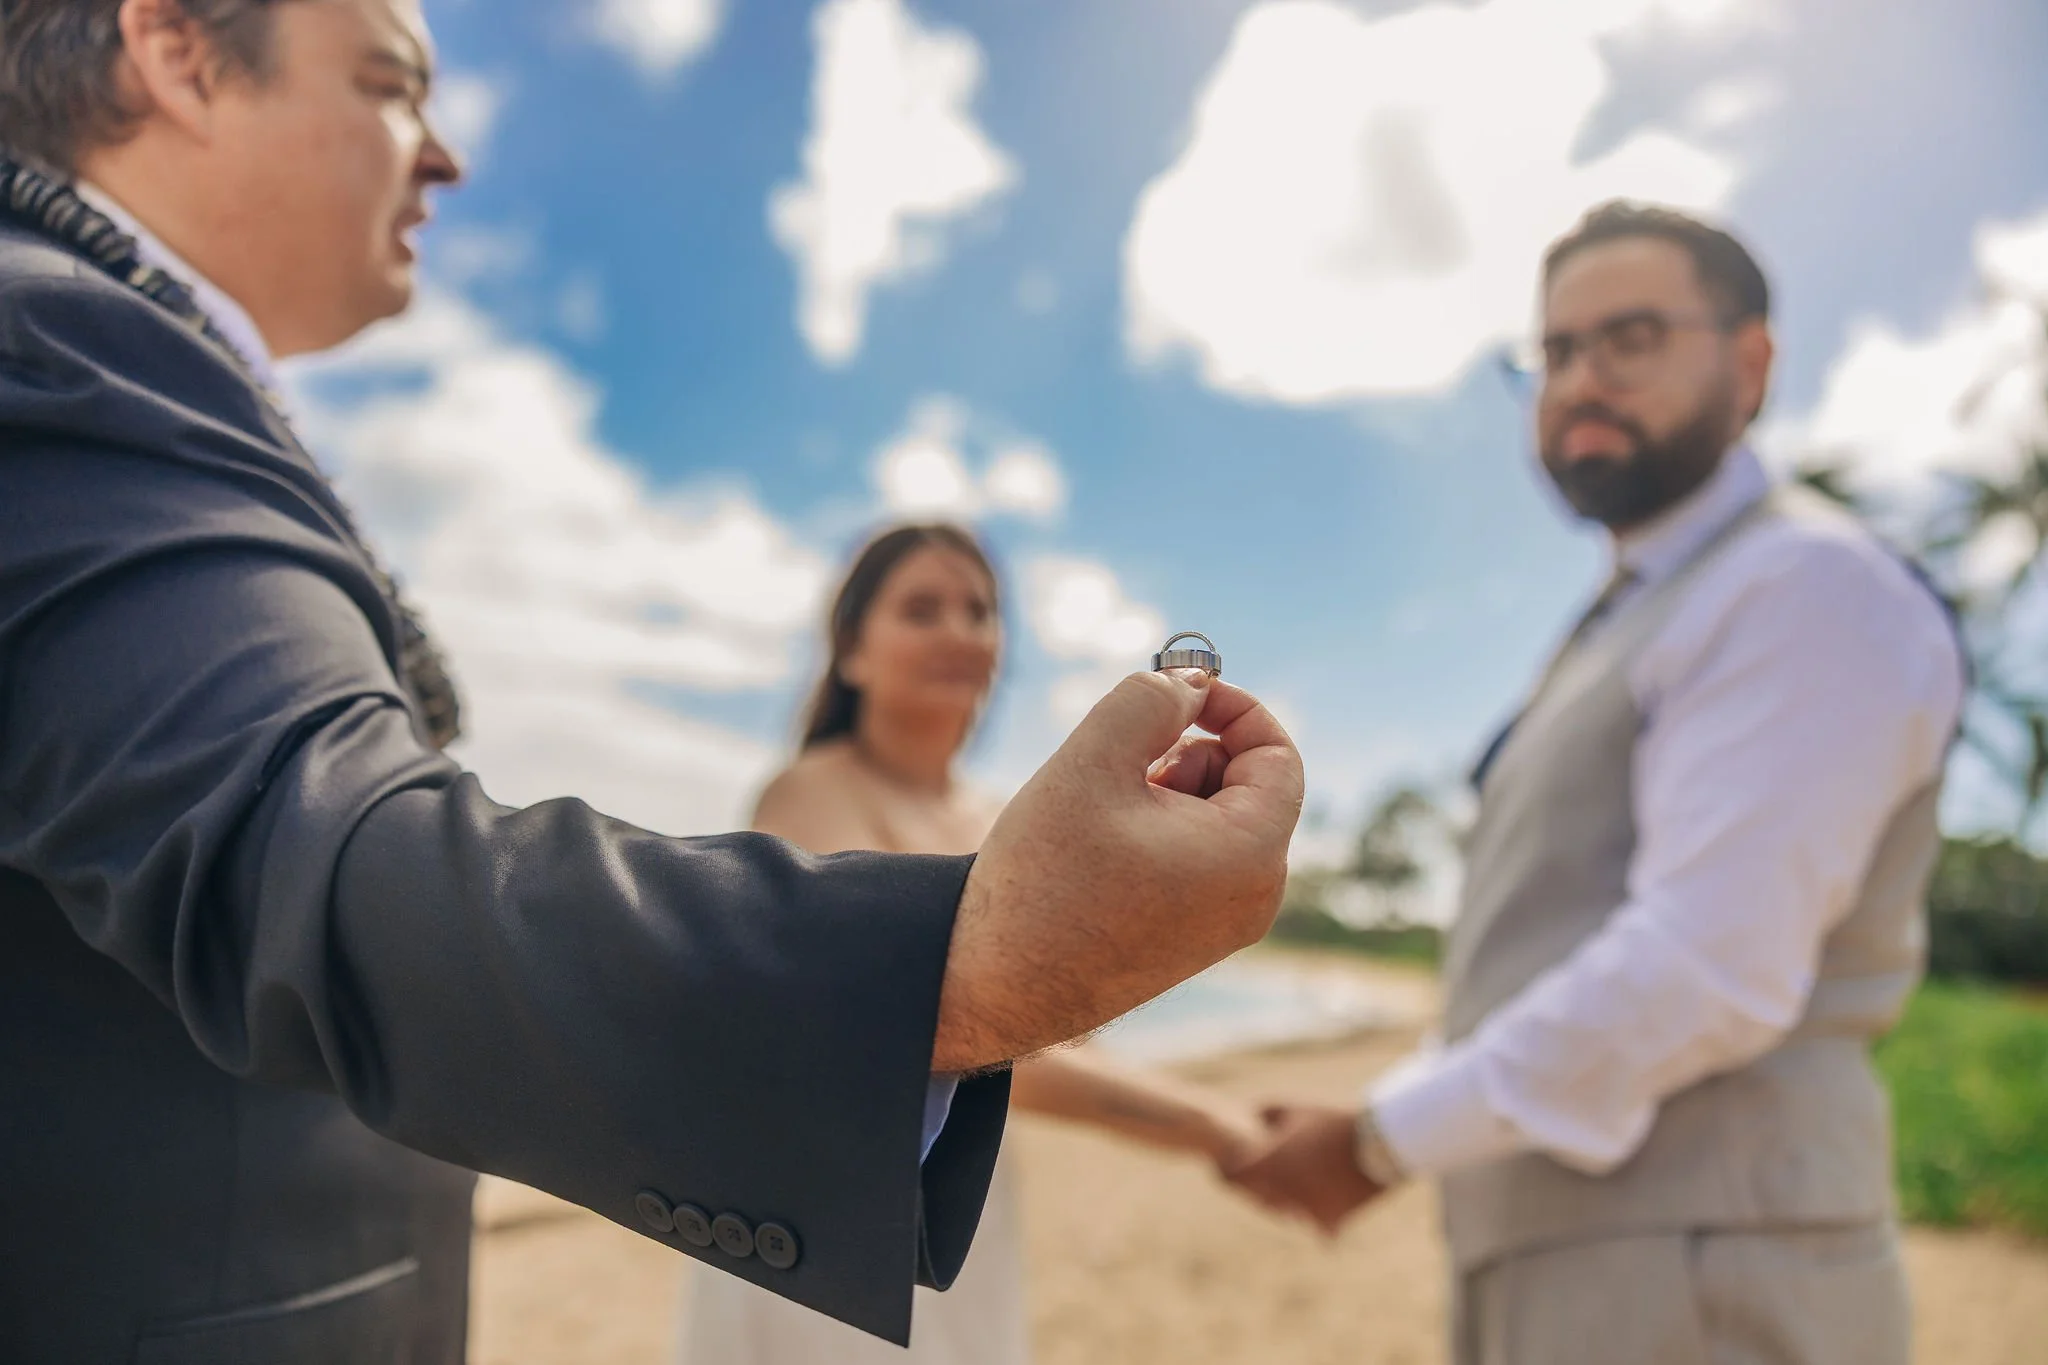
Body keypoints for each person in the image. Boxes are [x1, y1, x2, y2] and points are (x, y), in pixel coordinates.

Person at [0, 2, 1305, 1361]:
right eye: (391, 85)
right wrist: (960, 968)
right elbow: (314, 844)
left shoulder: (135, 374)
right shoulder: (54, 345)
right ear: (180, 53)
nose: (443, 158)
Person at [1233, 202, 1965, 1365]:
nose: (1580, 379)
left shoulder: (1800, 586)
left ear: (1751, 361)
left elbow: (1703, 966)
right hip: (1575, 1263)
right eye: (1555, 352)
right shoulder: (1626, 617)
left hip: (1699, 1272)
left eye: (1627, 339)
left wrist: (1373, 1143)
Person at [678, 524, 1274, 1365]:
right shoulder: (809, 794)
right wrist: (1215, 1125)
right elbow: (935, 1030)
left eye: (979, 610)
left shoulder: (1003, 817)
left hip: (966, 1201)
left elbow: (1062, 1023)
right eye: (923, 608)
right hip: (828, 1215)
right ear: (852, 652)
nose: (960, 630)